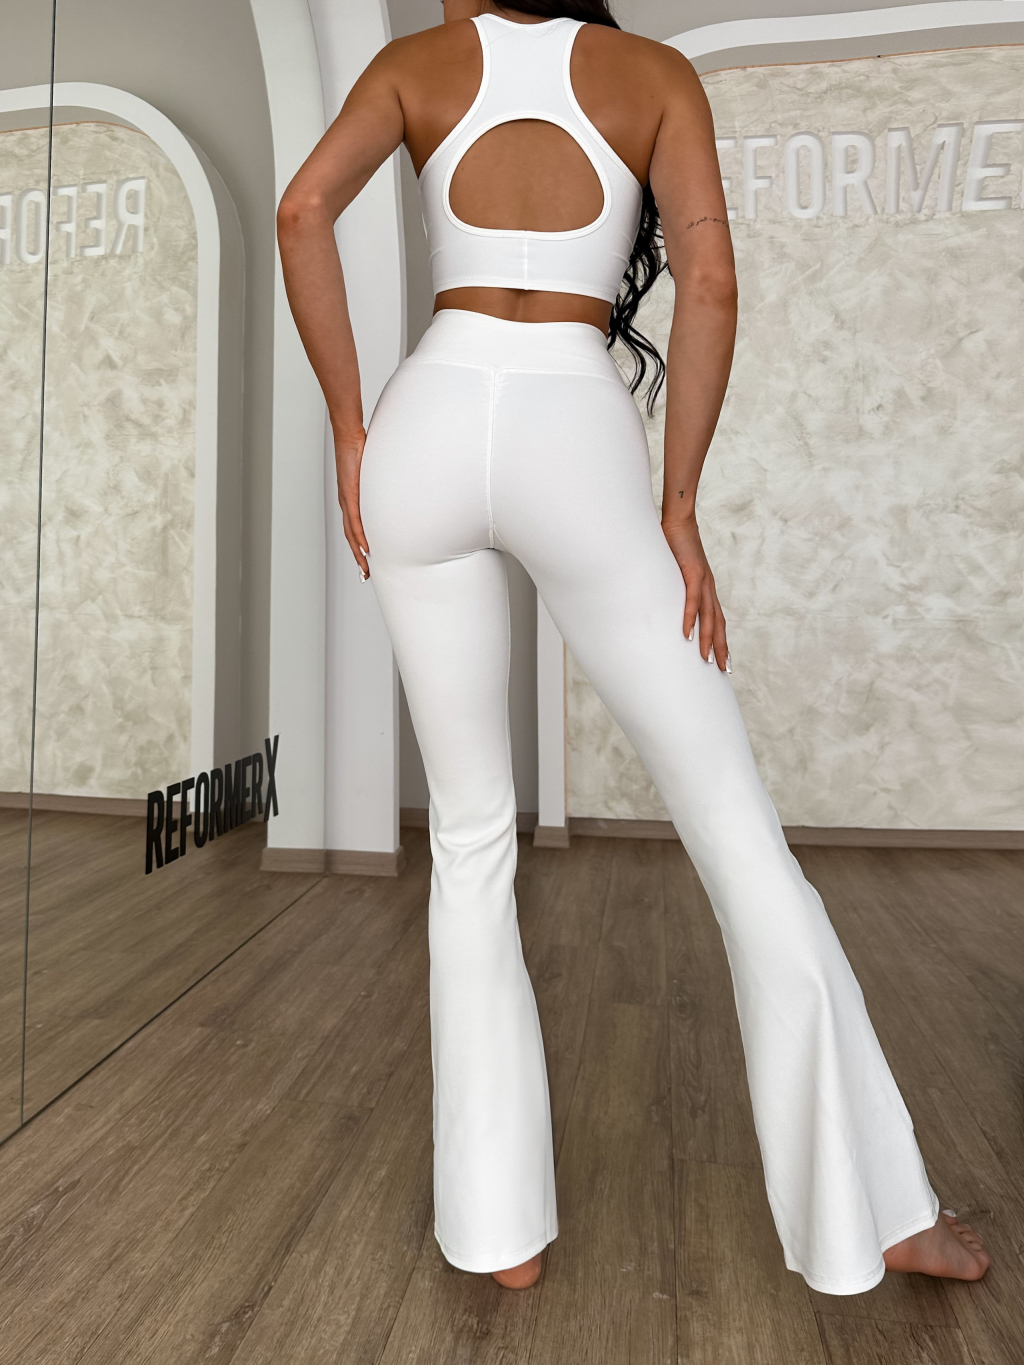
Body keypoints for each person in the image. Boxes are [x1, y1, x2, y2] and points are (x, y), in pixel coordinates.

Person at [277, 0, 990, 1295]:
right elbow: (711, 283)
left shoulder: (413, 64)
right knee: (734, 828)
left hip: (426, 418)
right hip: (575, 428)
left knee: (472, 838)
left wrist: (347, 427)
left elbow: (301, 212)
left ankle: (499, 1234)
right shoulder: (651, 74)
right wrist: (679, 507)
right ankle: (880, 1213)